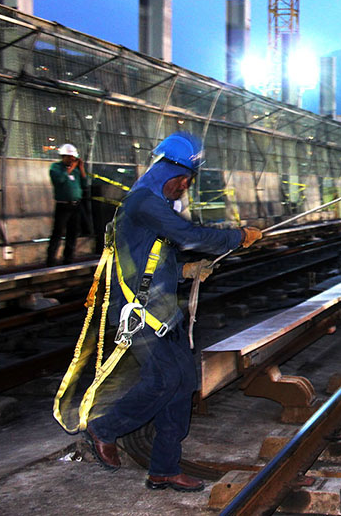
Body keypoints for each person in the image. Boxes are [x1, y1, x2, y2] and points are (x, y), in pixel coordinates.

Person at [83, 132, 263, 492]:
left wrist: (185, 271)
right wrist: (238, 236)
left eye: (187, 181)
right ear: (170, 173)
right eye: (183, 180)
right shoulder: (143, 203)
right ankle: (104, 428)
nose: (185, 187)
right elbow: (188, 236)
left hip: (163, 309)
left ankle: (164, 467)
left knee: (183, 383)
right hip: (139, 313)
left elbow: (149, 260)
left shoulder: (156, 207)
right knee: (165, 380)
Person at [47, 143, 88, 266]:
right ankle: (51, 259)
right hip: (63, 205)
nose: (72, 160)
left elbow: (84, 184)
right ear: (63, 156)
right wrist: (69, 169)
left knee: (73, 232)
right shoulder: (56, 168)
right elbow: (59, 180)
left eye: (73, 158)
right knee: (58, 232)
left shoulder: (75, 170)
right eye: (70, 157)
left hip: (75, 205)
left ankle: (68, 258)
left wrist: (81, 169)